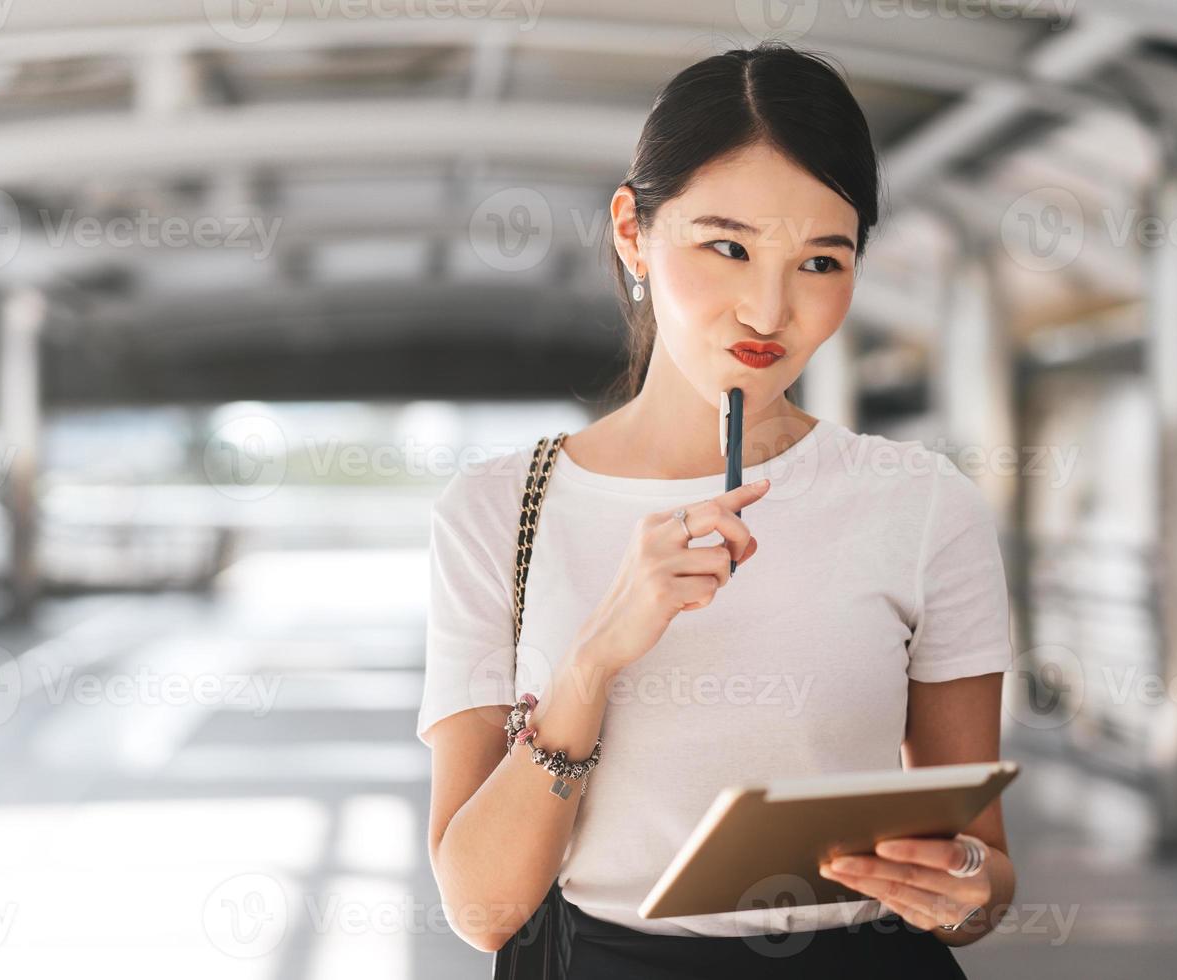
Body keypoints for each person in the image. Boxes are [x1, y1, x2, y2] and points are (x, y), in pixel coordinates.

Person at [418, 41, 1016, 979]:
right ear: (632, 231)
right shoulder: (498, 510)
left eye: (822, 261)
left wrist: (967, 889)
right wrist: (595, 658)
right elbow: (484, 910)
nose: (770, 311)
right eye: (727, 247)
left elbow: (981, 866)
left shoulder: (923, 504)